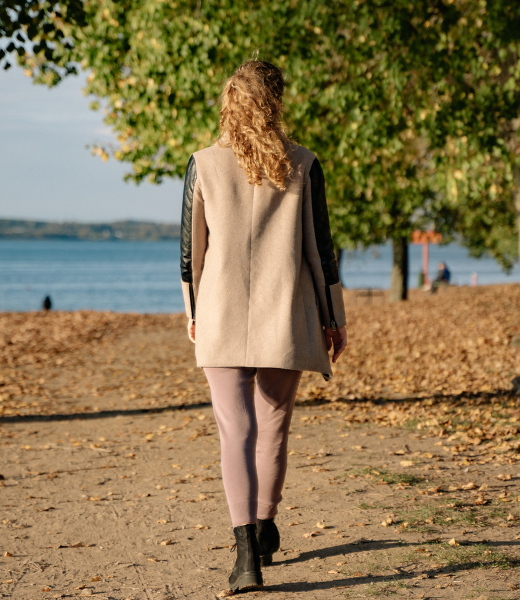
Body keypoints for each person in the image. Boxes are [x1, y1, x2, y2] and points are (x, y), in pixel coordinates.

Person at [180, 60, 348, 593]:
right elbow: (321, 250)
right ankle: (265, 524)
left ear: (229, 102)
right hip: (287, 311)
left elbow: (190, 255)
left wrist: (193, 312)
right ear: (276, 102)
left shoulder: (202, 164)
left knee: (236, 430)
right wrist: (333, 317)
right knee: (273, 424)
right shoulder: (303, 163)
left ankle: (246, 555)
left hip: (220, 311)